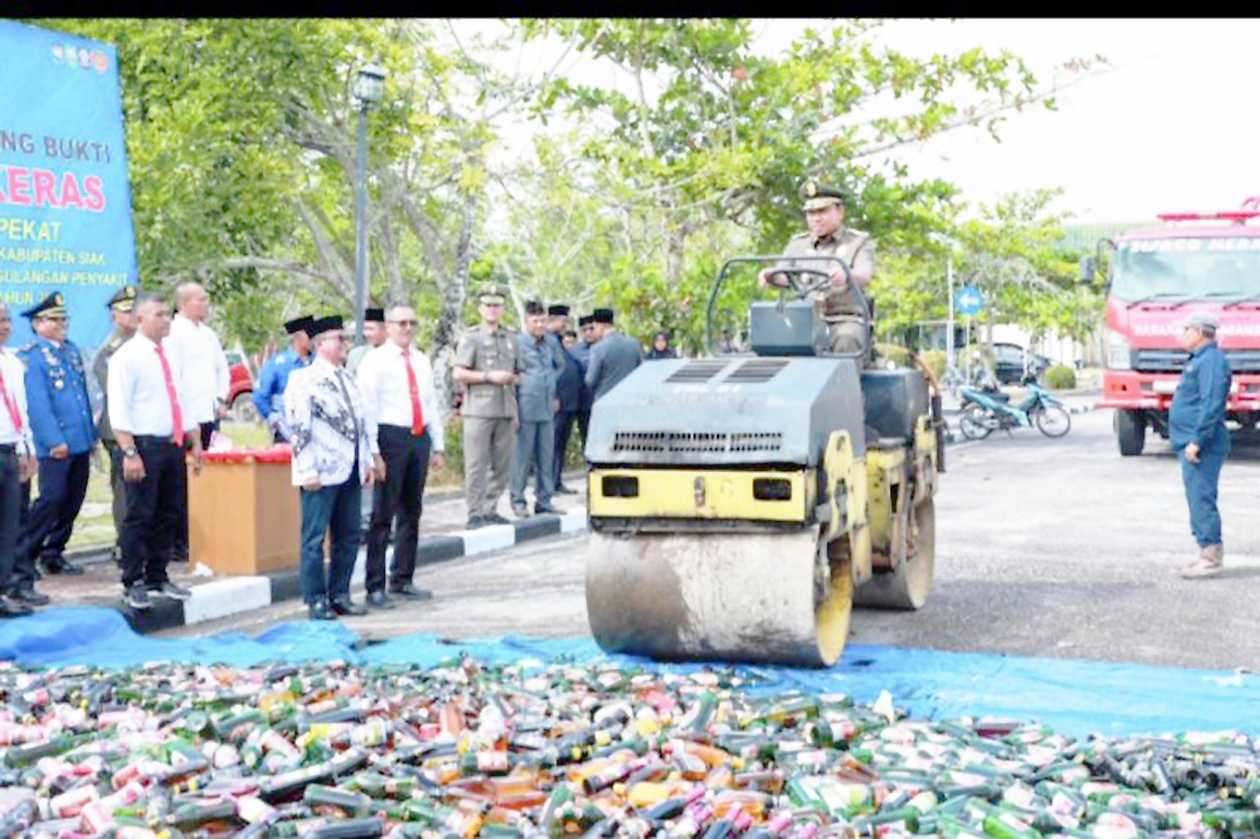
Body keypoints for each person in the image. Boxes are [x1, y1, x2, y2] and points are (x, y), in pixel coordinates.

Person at [107, 293, 202, 610]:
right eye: (158, 314)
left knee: (169, 513)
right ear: (139, 320)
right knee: (139, 515)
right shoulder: (127, 356)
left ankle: (157, 575)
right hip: (143, 445)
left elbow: (180, 398)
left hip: (171, 443)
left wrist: (194, 439)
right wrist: (129, 452)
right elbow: (119, 408)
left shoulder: (170, 353)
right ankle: (132, 580)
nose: (166, 319)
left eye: (166, 314)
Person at [285, 315, 375, 620]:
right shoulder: (303, 379)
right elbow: (299, 428)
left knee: (348, 535)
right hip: (320, 471)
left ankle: (340, 593)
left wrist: (367, 461)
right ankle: (315, 598)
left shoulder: (348, 378)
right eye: (338, 339)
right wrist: (307, 468)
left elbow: (360, 423)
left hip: (348, 468)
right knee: (314, 538)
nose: (344, 344)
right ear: (320, 344)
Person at [357, 304, 445, 608]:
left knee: (412, 511)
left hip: (417, 435)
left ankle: (402, 578)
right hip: (389, 436)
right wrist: (374, 452)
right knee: (382, 514)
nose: (407, 328)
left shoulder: (420, 360)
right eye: (401, 323)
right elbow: (368, 408)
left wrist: (438, 444)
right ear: (388, 326)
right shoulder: (375, 361)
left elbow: (431, 402)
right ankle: (374, 586)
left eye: (412, 323)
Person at [18, 291, 95, 581]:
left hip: (79, 440)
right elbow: (38, 405)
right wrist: (53, 441)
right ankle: (25, 554)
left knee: (73, 499)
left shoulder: (71, 351)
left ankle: (54, 553)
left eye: (64, 318)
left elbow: (80, 397)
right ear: (37, 324)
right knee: (51, 499)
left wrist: (90, 437)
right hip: (56, 445)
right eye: (55, 319)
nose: (62, 323)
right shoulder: (34, 357)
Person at [758, 181, 876, 360]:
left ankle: (843, 388)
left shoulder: (857, 242)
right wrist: (770, 276)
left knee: (846, 341)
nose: (816, 218)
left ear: (840, 211)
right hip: (805, 319)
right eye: (811, 213)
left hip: (844, 319)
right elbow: (784, 275)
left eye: (822, 211)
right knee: (769, 340)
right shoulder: (798, 244)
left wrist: (846, 275)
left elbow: (865, 274)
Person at [166, 281, 230, 565]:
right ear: (184, 303)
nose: (205, 304)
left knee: (204, 477)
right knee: (180, 482)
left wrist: (220, 398)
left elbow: (221, 369)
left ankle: (201, 534)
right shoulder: (173, 333)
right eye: (200, 300)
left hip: (207, 414)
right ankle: (178, 540)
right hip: (183, 418)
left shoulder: (208, 334)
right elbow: (175, 379)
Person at [452, 284, 520, 530]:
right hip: (478, 410)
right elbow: (459, 372)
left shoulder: (511, 337)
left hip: (505, 408)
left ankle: (491, 508)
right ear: (481, 309)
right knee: (476, 464)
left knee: (502, 464)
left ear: (503, 310)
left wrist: (513, 383)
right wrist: (490, 376)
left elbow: (519, 372)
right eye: (488, 305)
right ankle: (474, 512)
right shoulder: (471, 337)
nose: (493, 310)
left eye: (497, 306)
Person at [1170, 313, 1232, 579]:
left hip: (1202, 443)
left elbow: (1212, 404)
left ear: (1199, 332)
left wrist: (1197, 440)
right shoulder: (1201, 360)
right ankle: (1204, 552)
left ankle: (1211, 557)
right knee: (1196, 496)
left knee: (1202, 497)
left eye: (1186, 330)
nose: (1182, 335)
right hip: (1191, 441)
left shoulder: (1212, 362)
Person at [93, 285, 138, 566]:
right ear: (114, 316)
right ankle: (125, 543)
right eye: (126, 311)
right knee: (125, 490)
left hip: (146, 428)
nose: (132, 315)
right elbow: (118, 391)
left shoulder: (146, 345)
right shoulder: (111, 352)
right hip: (118, 428)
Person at [0, 303, 37, 616]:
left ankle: (2, 590)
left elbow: (20, 410)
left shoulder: (12, 362)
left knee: (9, 524)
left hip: (10, 449)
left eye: (6, 320)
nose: (4, 326)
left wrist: (27, 449)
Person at [510, 301, 563, 518]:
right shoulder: (516, 343)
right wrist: (513, 409)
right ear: (526, 321)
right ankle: (518, 500)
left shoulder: (550, 342)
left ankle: (544, 500)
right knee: (522, 456)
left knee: (546, 454)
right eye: (535, 321)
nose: (540, 324)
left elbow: (560, 365)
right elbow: (510, 375)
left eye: (543, 320)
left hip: (546, 405)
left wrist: (552, 389)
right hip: (525, 406)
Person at [253, 315, 314, 443]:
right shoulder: (278, 364)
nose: (314, 338)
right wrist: (272, 416)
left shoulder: (317, 361)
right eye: (310, 334)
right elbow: (260, 395)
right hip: (287, 431)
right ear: (297, 337)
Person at [548, 305, 582, 494]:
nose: (564, 324)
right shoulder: (546, 341)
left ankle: (556, 480)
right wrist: (553, 395)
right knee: (552, 443)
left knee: (561, 443)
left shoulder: (559, 341)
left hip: (568, 402)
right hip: (557, 401)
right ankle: (548, 483)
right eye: (562, 320)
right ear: (552, 319)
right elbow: (549, 371)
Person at [584, 308, 642, 402]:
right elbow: (640, 372)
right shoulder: (634, 344)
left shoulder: (598, 349)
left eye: (594, 327)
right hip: (630, 400)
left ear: (600, 326)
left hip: (605, 401)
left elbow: (590, 380)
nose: (593, 331)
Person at [571, 314, 598, 446]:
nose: (588, 333)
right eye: (584, 330)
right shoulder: (574, 352)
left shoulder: (605, 347)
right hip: (583, 404)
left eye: (591, 328)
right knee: (586, 439)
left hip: (601, 401)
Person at [347, 307, 387, 377]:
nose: (366, 333)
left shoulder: (397, 354)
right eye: (365, 329)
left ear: (384, 330)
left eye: (370, 329)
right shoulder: (356, 354)